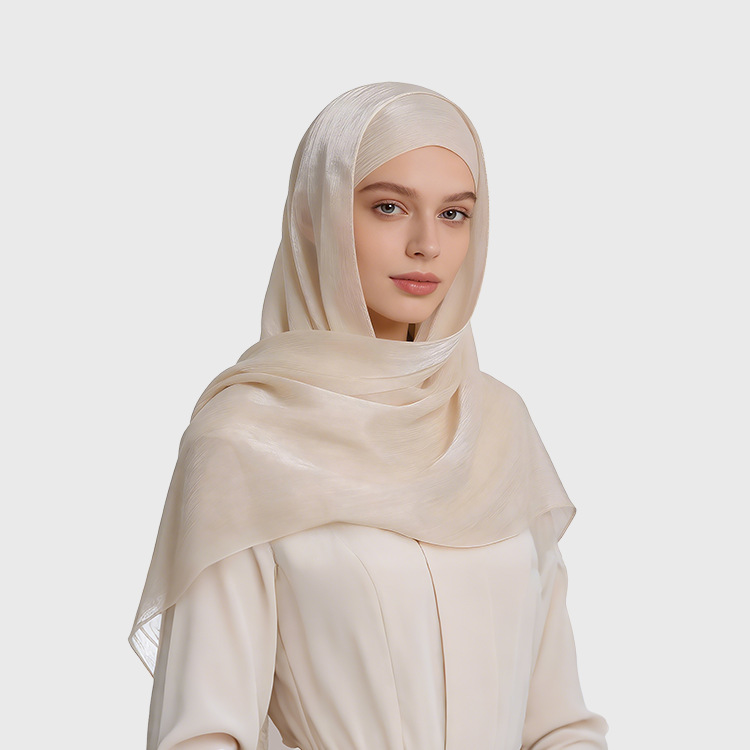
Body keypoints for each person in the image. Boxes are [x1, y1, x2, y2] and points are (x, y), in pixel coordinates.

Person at [130, 82, 609, 750]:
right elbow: (204, 736)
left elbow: (558, 726)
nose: (427, 245)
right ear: (313, 215)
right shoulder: (247, 442)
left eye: (454, 214)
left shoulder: (497, 424)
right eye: (389, 207)